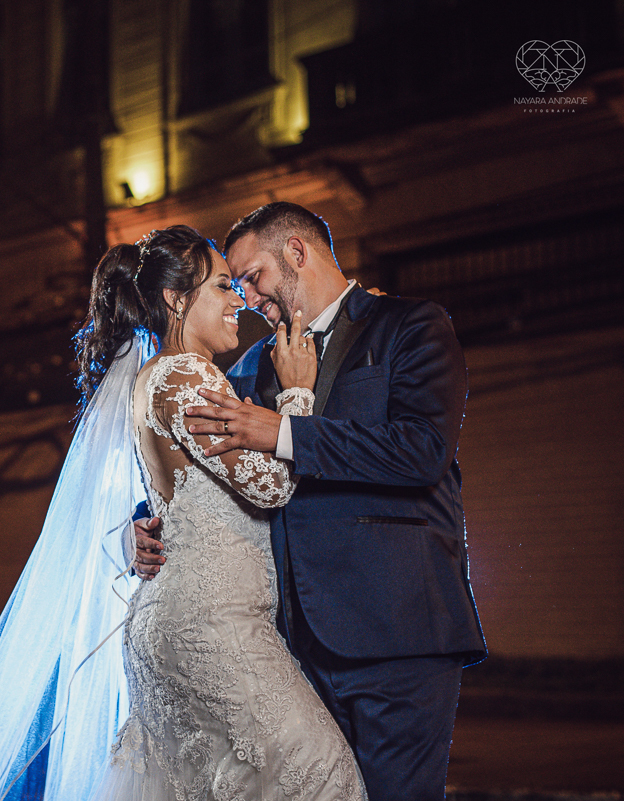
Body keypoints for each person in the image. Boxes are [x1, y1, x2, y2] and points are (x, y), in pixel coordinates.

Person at [137, 203, 486, 801]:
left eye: (252, 277)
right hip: (293, 643)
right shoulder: (246, 370)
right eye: (235, 284)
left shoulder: (411, 326)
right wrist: (146, 525)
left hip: (397, 632)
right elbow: (197, 464)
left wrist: (286, 432)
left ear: (297, 253)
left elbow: (422, 451)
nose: (246, 298)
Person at [83, 225, 364, 800]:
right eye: (221, 286)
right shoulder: (185, 374)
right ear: (175, 299)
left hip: (185, 617)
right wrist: (296, 396)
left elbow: (186, 492)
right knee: (323, 778)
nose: (239, 299)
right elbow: (270, 487)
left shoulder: (162, 379)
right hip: (210, 623)